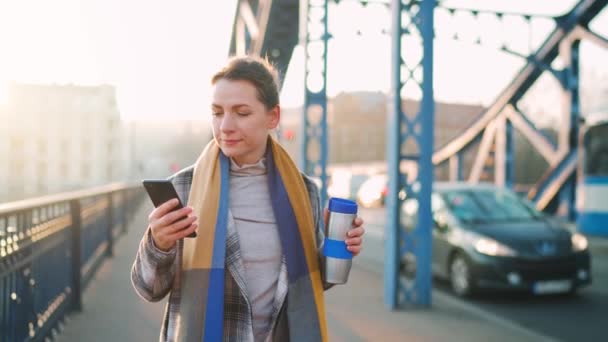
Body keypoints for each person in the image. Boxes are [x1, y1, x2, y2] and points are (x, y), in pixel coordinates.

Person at [131, 55, 365, 342]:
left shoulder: (305, 192)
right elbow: (148, 288)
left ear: (273, 117)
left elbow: (315, 283)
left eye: (241, 113)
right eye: (217, 112)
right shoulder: (183, 188)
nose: (225, 126)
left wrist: (339, 246)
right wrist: (159, 243)